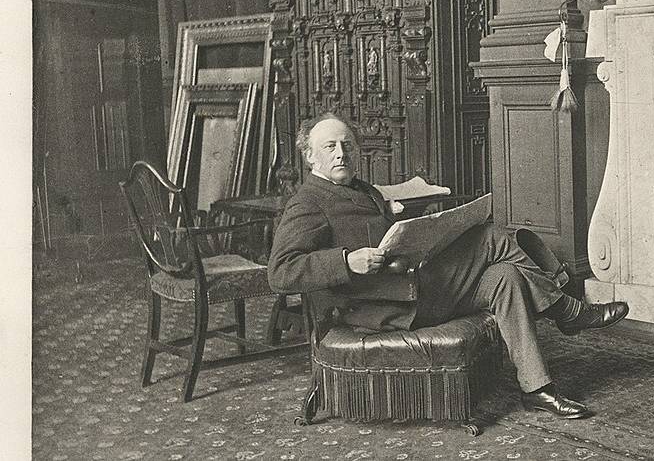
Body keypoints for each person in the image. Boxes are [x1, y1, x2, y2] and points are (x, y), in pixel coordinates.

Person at [267, 112, 630, 419]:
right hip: (385, 308)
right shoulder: (308, 202)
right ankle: (567, 310)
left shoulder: (364, 189)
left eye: (347, 145)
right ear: (310, 157)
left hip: (412, 288)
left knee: (504, 276)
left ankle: (537, 389)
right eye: (329, 147)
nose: (341, 153)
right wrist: (347, 261)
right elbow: (280, 271)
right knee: (491, 237)